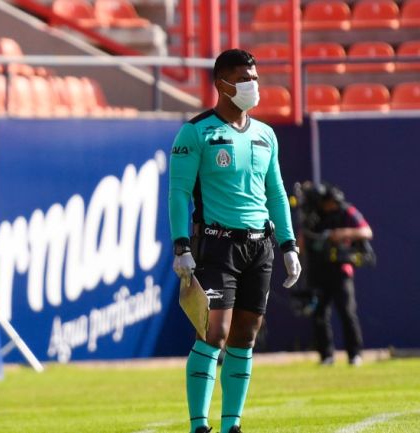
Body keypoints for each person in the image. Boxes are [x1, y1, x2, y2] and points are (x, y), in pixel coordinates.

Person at [168, 49, 301, 433]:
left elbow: (275, 192)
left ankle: (232, 426)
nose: (253, 85)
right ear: (222, 84)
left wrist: (289, 245)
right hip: (216, 244)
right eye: (245, 79)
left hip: (260, 247)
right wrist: (181, 245)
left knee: (245, 336)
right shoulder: (195, 132)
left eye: (255, 77)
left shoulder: (266, 135)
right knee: (214, 333)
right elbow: (178, 193)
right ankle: (198, 426)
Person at [298, 182, 373, 366]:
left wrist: (342, 233)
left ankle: (355, 355)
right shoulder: (312, 217)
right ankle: (326, 356)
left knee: (347, 312)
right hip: (317, 270)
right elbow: (301, 246)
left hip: (340, 269)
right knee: (319, 314)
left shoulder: (346, 211)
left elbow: (366, 231)